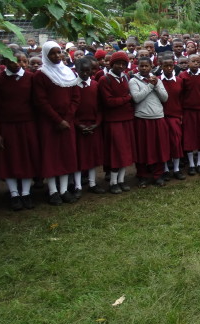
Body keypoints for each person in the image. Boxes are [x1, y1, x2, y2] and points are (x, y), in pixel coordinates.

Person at [0, 53, 39, 211]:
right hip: (7, 125)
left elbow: (35, 102)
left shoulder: (30, 78)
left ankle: (25, 192)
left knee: (26, 158)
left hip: (27, 124)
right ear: (4, 61)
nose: (19, 64)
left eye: (23, 61)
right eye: (14, 61)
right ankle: (14, 194)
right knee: (9, 160)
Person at [34, 42, 81, 205]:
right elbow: (41, 101)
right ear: (46, 56)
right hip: (50, 123)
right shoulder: (41, 75)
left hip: (67, 122)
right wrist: (57, 120)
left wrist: (67, 118)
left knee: (66, 155)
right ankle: (53, 190)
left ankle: (64, 189)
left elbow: (75, 97)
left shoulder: (69, 72)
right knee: (51, 156)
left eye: (58, 52)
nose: (56, 56)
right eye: (52, 54)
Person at [129, 56, 170, 188]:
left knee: (159, 147)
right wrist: (149, 86)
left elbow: (165, 98)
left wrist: (156, 85)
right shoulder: (133, 81)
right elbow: (136, 98)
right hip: (142, 118)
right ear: (138, 67)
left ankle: (158, 175)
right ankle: (142, 176)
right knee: (142, 148)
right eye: (142, 66)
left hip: (158, 117)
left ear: (151, 67)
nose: (144, 68)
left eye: (147, 66)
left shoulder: (157, 80)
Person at [98, 51, 135, 193]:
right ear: (111, 64)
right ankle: (113, 182)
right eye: (118, 63)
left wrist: (126, 100)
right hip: (113, 121)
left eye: (123, 64)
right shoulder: (105, 79)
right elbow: (108, 102)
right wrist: (126, 98)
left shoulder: (125, 77)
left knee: (125, 151)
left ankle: (121, 180)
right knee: (116, 152)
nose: (120, 66)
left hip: (126, 119)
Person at [72, 57, 107, 197]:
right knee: (78, 156)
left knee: (93, 156)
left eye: (88, 71)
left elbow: (100, 107)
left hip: (93, 126)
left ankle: (92, 183)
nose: (85, 74)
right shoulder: (72, 85)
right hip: (78, 126)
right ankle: (78, 186)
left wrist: (96, 123)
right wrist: (78, 124)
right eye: (82, 71)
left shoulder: (95, 85)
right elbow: (70, 109)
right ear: (77, 70)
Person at [179, 54, 200, 175]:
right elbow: (180, 95)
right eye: (193, 61)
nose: (196, 63)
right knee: (189, 137)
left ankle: (199, 163)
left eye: (198, 61)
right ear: (188, 62)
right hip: (188, 111)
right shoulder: (183, 76)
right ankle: (191, 165)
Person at [159, 54, 186, 181]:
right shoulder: (158, 81)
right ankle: (165, 169)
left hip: (175, 116)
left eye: (171, 66)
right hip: (161, 117)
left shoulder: (179, 81)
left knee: (176, 143)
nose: (169, 68)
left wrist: (181, 115)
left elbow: (182, 99)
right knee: (164, 144)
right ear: (161, 67)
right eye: (166, 66)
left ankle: (176, 169)